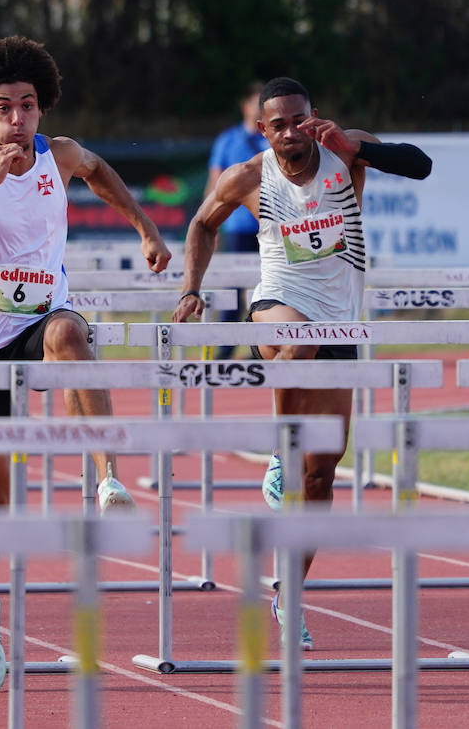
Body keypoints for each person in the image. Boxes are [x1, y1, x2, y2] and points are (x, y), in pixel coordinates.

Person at [0, 36, 171, 691]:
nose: (18, 119)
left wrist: (143, 226)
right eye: (4, 107)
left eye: (28, 106)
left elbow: (99, 171)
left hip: (40, 319)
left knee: (67, 335)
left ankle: (109, 476)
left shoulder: (59, 155)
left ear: (41, 109)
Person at [171, 76, 431, 650]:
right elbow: (200, 224)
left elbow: (421, 165)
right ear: (263, 130)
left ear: (314, 117)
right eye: (278, 124)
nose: (291, 132)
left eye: (299, 119)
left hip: (341, 318)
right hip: (278, 304)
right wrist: (192, 287)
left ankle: (289, 592)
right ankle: (276, 451)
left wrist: (356, 147)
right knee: (298, 339)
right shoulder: (248, 175)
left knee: (321, 472)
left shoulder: (344, 150)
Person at [204, 81, 268, 358]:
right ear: (245, 107)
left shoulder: (275, 140)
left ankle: (264, 347)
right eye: (257, 104)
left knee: (271, 289)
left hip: (271, 228)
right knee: (233, 289)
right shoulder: (227, 140)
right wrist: (209, 224)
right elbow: (215, 185)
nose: (260, 110)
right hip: (238, 228)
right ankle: (225, 350)